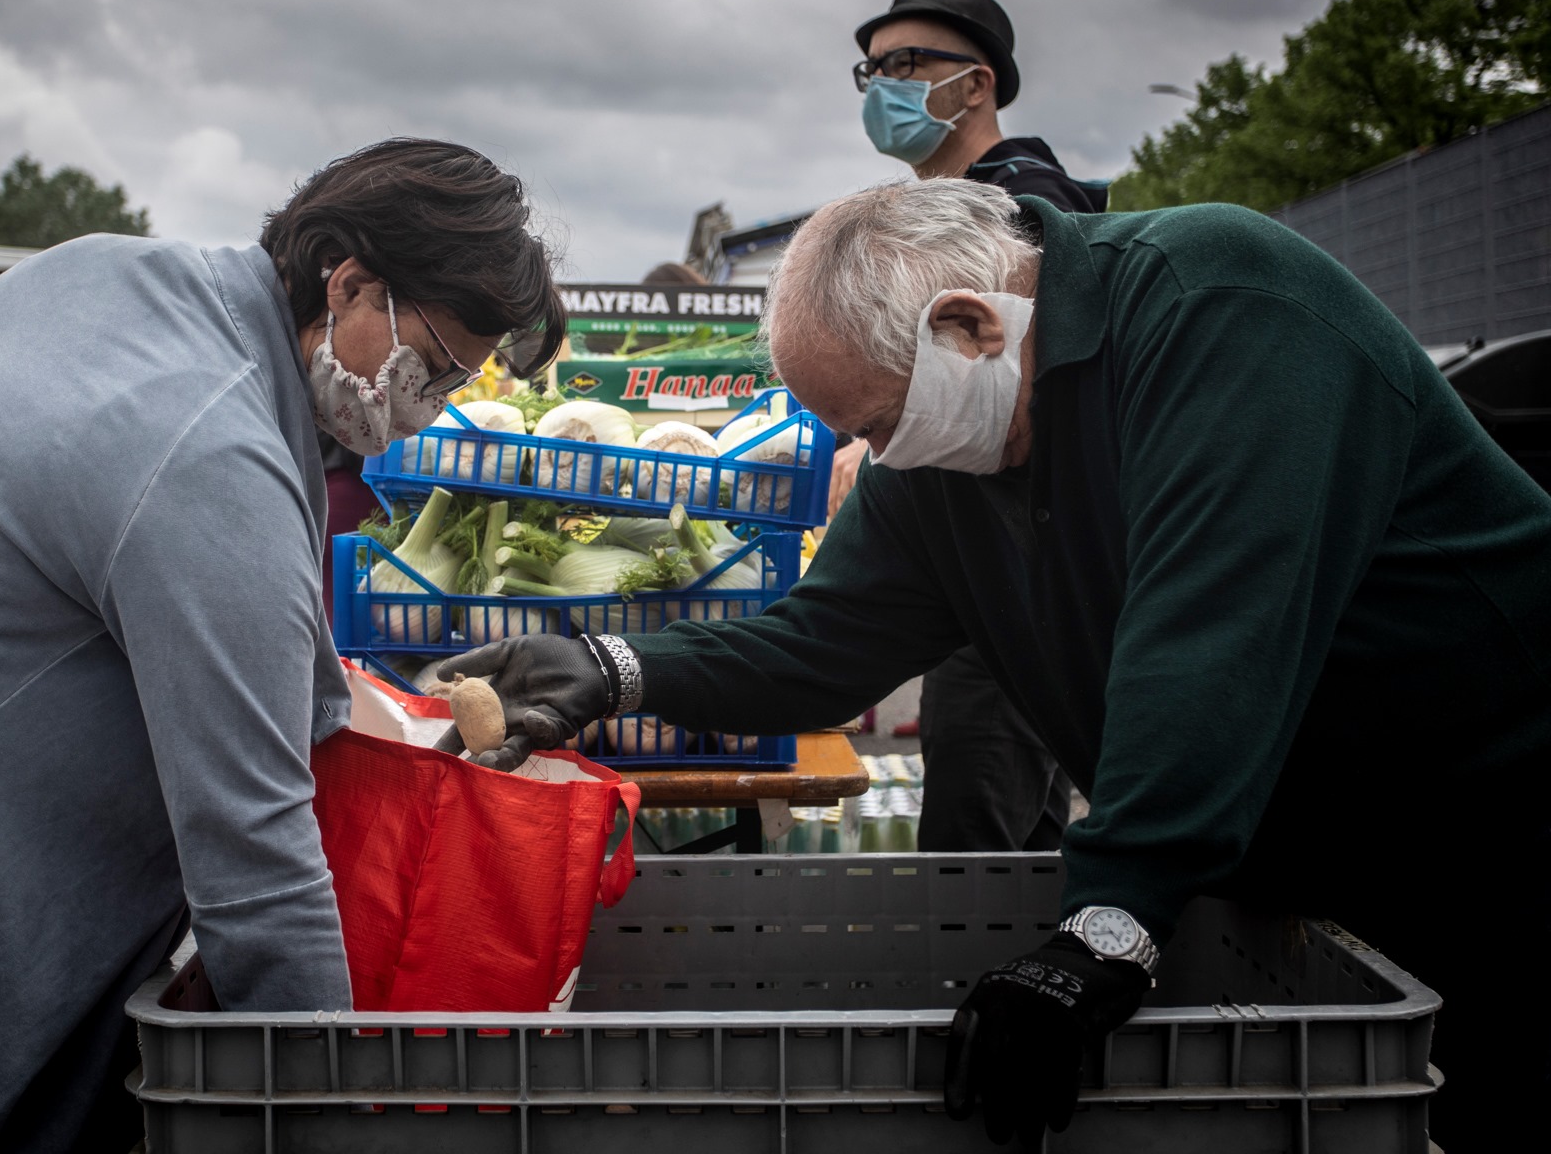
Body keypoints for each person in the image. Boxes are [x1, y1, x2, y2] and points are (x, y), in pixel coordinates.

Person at [445, 179, 1551, 1149]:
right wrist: (614, 664)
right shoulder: (945, 447)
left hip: (1483, 826)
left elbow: (1209, 638)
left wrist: (1103, 927)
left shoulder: (1223, 307)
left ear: (969, 326)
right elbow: (822, 640)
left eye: (876, 424)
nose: (877, 457)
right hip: (1289, 870)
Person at [0, 137, 562, 1154]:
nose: (434, 401)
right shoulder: (210, 447)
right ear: (348, 285)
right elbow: (255, 856)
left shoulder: (100, 277)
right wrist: (325, 1097)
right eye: (433, 363)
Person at [839, 0, 1087, 853]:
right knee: (1030, 840)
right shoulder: (938, 216)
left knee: (970, 845)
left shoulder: (1023, 207)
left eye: (906, 63)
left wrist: (883, 445)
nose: (883, 86)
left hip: (1009, 579)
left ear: (977, 83)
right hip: (995, 581)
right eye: (870, 71)